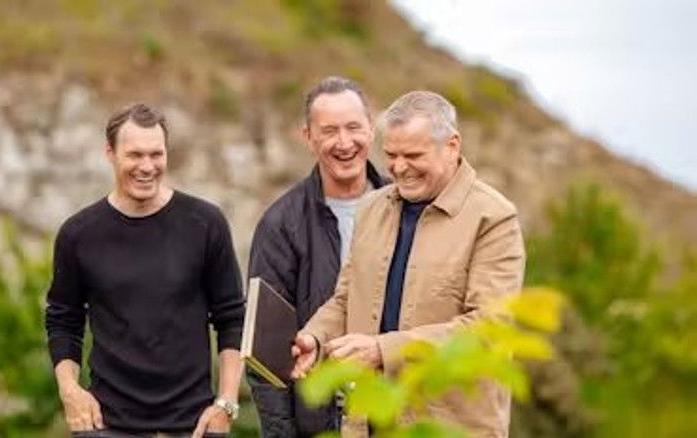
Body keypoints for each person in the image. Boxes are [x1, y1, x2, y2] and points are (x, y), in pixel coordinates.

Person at [292, 91, 526, 437]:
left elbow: (488, 330)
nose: (399, 168)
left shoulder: (494, 218)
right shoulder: (370, 208)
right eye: (391, 155)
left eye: (413, 156)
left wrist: (382, 350)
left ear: (452, 146)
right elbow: (346, 299)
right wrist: (316, 336)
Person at [45, 103, 245, 438]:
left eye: (156, 154)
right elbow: (63, 320)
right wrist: (70, 392)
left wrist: (226, 403)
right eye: (135, 155)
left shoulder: (205, 223)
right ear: (110, 153)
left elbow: (232, 319)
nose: (147, 166)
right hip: (106, 426)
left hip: (195, 426)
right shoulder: (78, 234)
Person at [247, 76, 387, 437]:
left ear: (371, 129)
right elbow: (266, 357)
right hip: (321, 422)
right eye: (329, 131)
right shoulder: (281, 224)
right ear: (308, 137)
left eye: (353, 127)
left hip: (394, 413)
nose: (344, 142)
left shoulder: (406, 208)